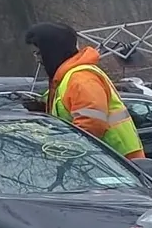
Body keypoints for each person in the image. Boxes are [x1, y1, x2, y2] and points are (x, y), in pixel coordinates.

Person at [22, 22, 144, 160]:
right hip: (106, 159)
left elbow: (92, 124)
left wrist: (63, 149)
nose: (38, 59)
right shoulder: (68, 78)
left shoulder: (81, 79)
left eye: (39, 53)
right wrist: (43, 108)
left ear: (52, 52)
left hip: (118, 162)